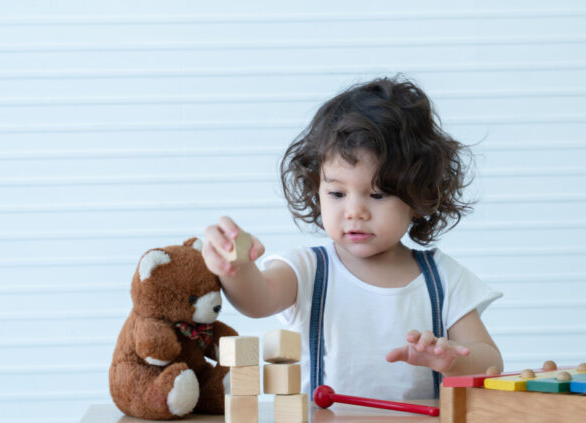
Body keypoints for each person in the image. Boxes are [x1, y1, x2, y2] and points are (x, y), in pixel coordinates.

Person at [202, 76, 503, 400]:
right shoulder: (308, 269)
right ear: (317, 189)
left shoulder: (443, 278)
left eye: (377, 195)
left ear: (418, 198)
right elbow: (256, 300)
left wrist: (451, 360)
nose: (354, 211)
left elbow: (490, 361)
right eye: (337, 193)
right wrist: (235, 265)